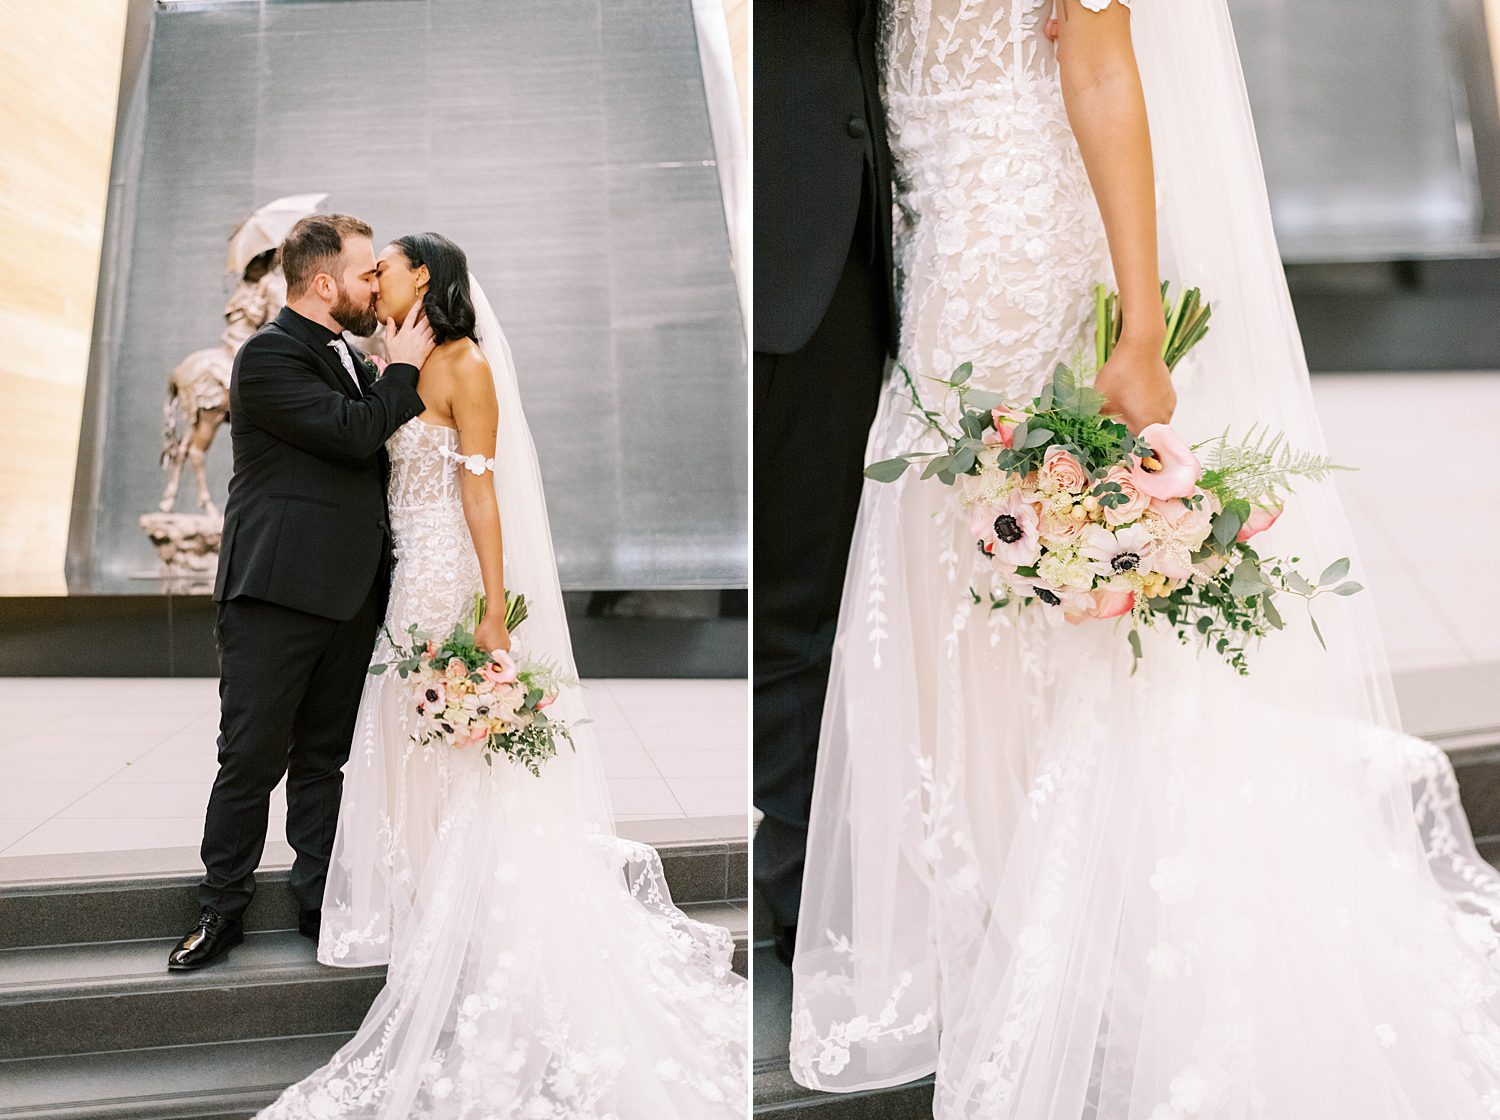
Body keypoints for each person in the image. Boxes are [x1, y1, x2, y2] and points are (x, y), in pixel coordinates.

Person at [789, 1, 1500, 1115]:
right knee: (973, 571)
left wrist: (1137, 325)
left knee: (1004, 570)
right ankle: (1003, 896)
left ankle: (1063, 914)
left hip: (1013, 234)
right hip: (939, 220)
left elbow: (1109, 73)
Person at [255, 233, 747, 1118]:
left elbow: (480, 490)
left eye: (391, 267)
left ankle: (470, 900)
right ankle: (422, 891)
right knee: (410, 735)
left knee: (462, 742)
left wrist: (490, 607)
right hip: (403, 573)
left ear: (426, 280)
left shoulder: (467, 366)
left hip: (446, 574)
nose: (379, 278)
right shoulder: (400, 357)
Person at [170, 213, 433, 971]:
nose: (375, 287)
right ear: (324, 284)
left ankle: (319, 899)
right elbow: (353, 435)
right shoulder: (267, 356)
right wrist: (407, 373)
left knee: (324, 759)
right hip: (276, 596)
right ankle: (222, 908)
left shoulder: (352, 356)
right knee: (251, 758)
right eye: (364, 275)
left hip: (353, 598)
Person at [753, 0, 898, 965]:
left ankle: (805, 886)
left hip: (847, 249)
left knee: (817, 589)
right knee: (792, 603)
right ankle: (794, 891)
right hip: (777, 227)